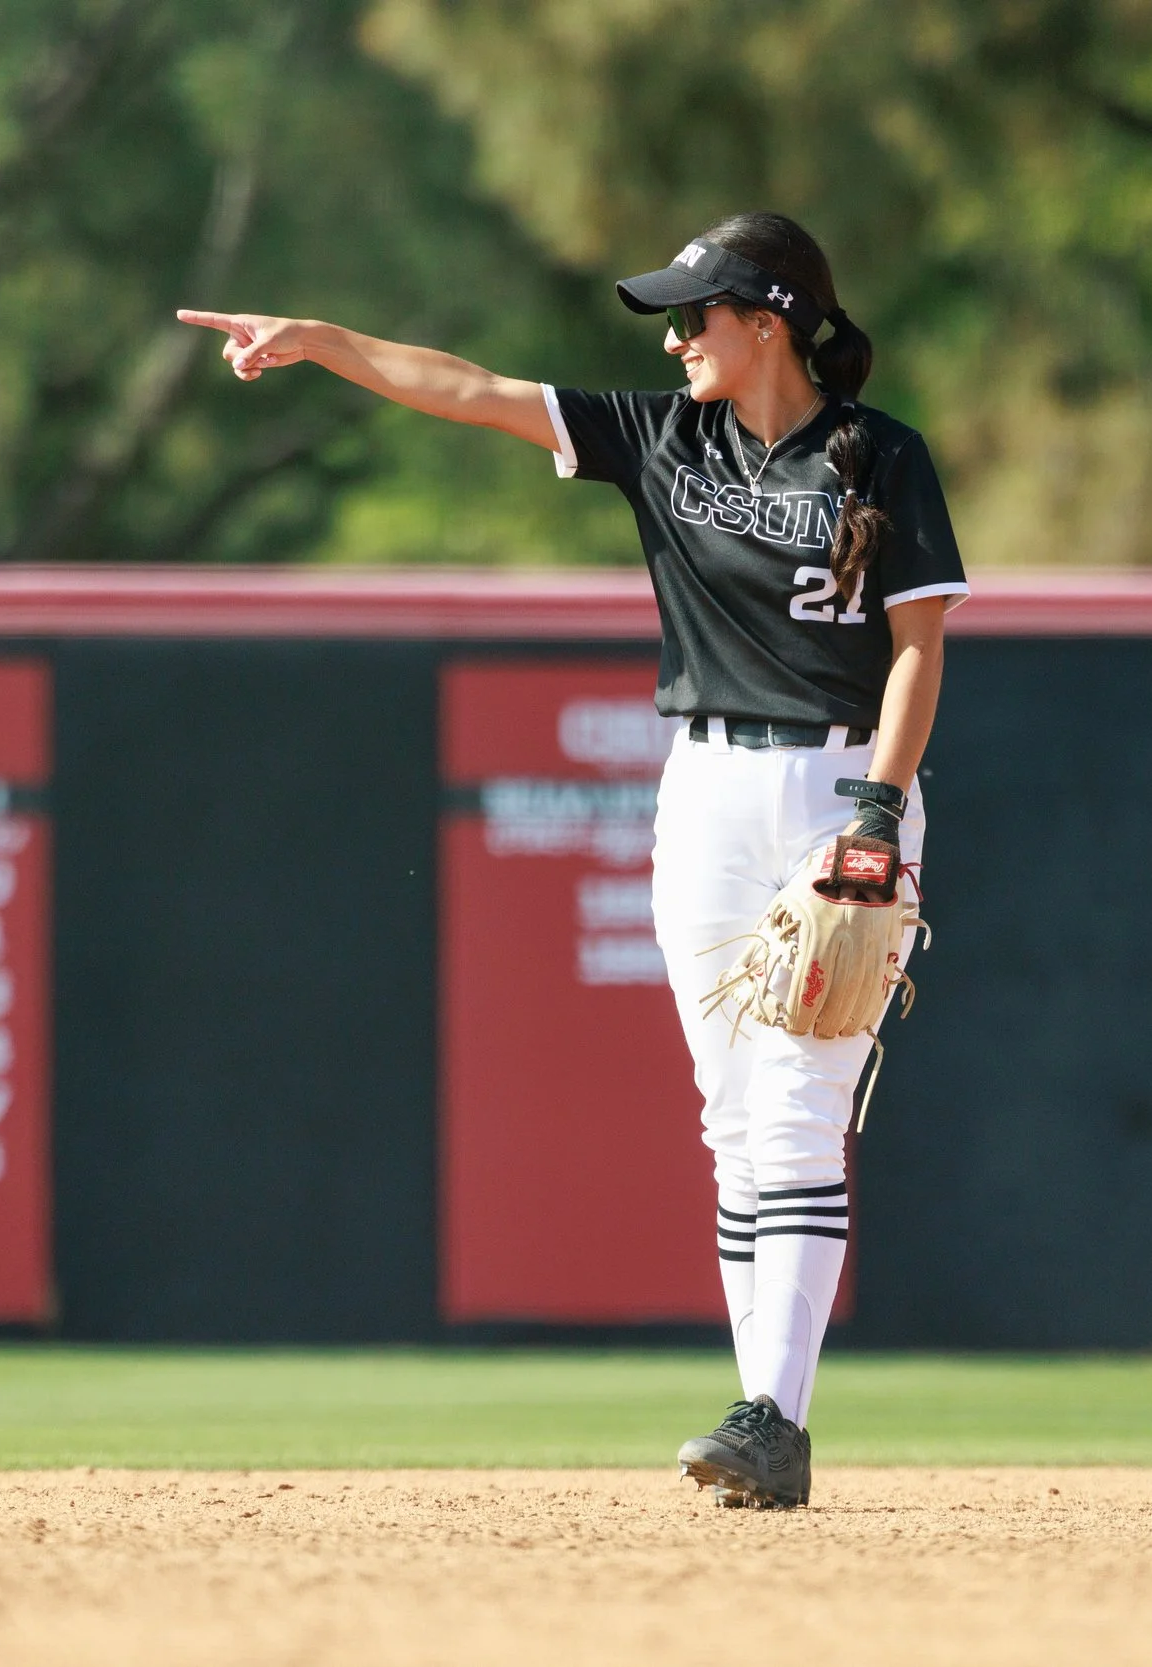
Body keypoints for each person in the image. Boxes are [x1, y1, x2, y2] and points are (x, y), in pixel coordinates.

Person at [179, 212, 965, 1510]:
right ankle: (761, 1414)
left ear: (766, 318)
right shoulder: (664, 435)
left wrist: (878, 813)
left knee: (797, 1107)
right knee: (730, 1118)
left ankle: (775, 1414)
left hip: (836, 785)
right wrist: (319, 343)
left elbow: (921, 649)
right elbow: (472, 389)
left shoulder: (882, 457)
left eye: (692, 315)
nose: (672, 337)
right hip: (704, 785)